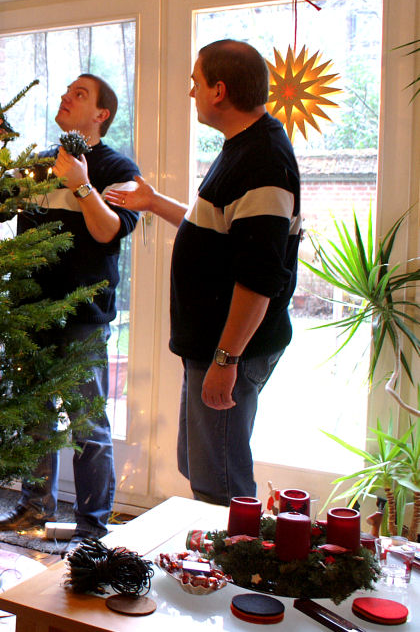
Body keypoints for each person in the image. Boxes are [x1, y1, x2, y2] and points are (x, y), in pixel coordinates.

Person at [104, 39, 301, 506]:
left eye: (195, 82)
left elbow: (259, 277)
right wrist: (153, 203)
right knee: (200, 468)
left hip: (230, 350)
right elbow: (215, 231)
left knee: (223, 484)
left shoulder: (264, 160)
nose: (191, 92)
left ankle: (234, 573)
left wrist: (226, 360)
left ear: (219, 90)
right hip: (212, 347)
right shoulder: (243, 148)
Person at [0, 74, 140, 541]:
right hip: (29, 312)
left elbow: (109, 231)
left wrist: (81, 185)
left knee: (88, 424)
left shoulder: (117, 167)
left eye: (80, 94)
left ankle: (92, 526)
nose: (66, 98)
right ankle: (34, 507)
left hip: (82, 320)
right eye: (67, 91)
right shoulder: (37, 165)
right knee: (33, 418)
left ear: (101, 115)